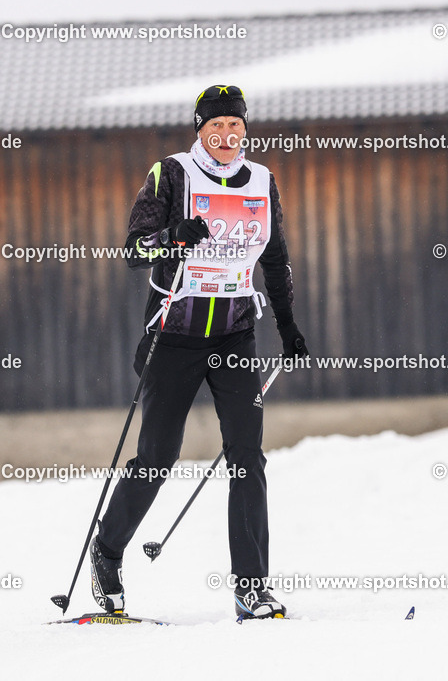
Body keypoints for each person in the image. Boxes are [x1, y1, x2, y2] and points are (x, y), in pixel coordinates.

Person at [89, 85, 309, 620]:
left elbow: (274, 260)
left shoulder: (262, 181)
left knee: (247, 458)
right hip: (175, 333)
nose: (227, 136)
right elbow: (134, 251)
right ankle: (109, 550)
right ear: (199, 130)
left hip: (235, 333)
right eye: (217, 127)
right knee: (158, 457)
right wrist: (172, 236)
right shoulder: (171, 174)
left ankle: (252, 586)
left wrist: (288, 325)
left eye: (236, 126)